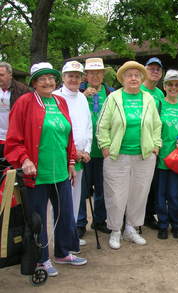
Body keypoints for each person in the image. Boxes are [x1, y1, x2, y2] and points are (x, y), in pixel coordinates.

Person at [5, 62, 87, 277]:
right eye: (42, 79)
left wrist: (71, 163)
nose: (48, 82)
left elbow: (67, 136)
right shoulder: (24, 103)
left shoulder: (60, 101)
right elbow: (14, 140)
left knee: (65, 214)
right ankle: (41, 259)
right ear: (33, 82)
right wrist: (24, 159)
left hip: (60, 171)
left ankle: (62, 252)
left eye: (50, 78)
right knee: (38, 218)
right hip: (36, 174)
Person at [96, 61, 162, 249]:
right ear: (122, 79)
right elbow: (102, 125)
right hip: (117, 155)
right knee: (116, 194)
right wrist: (105, 147)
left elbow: (157, 125)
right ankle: (116, 229)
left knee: (139, 194)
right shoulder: (114, 98)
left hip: (144, 156)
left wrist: (156, 146)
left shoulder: (148, 98)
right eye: (129, 75)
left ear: (142, 78)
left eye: (137, 75)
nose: (133, 78)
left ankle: (131, 228)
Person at [53, 61, 92, 247]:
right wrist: (72, 152)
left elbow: (88, 127)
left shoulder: (83, 98)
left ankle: (71, 235)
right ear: (63, 77)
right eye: (70, 75)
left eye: (77, 76)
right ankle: (59, 239)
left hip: (80, 158)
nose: (74, 79)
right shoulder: (54, 97)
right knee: (61, 201)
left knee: (76, 199)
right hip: (62, 158)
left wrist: (87, 150)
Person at [77, 58, 114, 237]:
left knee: (102, 188)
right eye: (92, 72)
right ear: (86, 75)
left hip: (104, 149)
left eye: (99, 72)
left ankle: (99, 221)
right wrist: (82, 97)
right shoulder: (77, 92)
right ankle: (80, 222)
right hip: (84, 150)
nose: (95, 75)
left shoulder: (111, 92)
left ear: (103, 74)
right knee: (82, 189)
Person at [155, 70, 178, 239]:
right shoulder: (159, 104)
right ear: (165, 86)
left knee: (175, 194)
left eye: (177, 84)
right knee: (161, 194)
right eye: (170, 84)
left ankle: (176, 224)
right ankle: (163, 224)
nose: (173, 87)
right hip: (161, 156)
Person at [141, 57, 164, 229]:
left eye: (158, 69)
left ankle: (149, 215)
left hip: (153, 146)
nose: (155, 71)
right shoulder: (137, 89)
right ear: (145, 70)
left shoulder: (160, 94)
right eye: (152, 68)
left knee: (151, 183)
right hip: (137, 144)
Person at [0, 62, 29, 158]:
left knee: (11, 170)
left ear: (10, 75)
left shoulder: (22, 90)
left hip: (14, 138)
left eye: (1, 75)